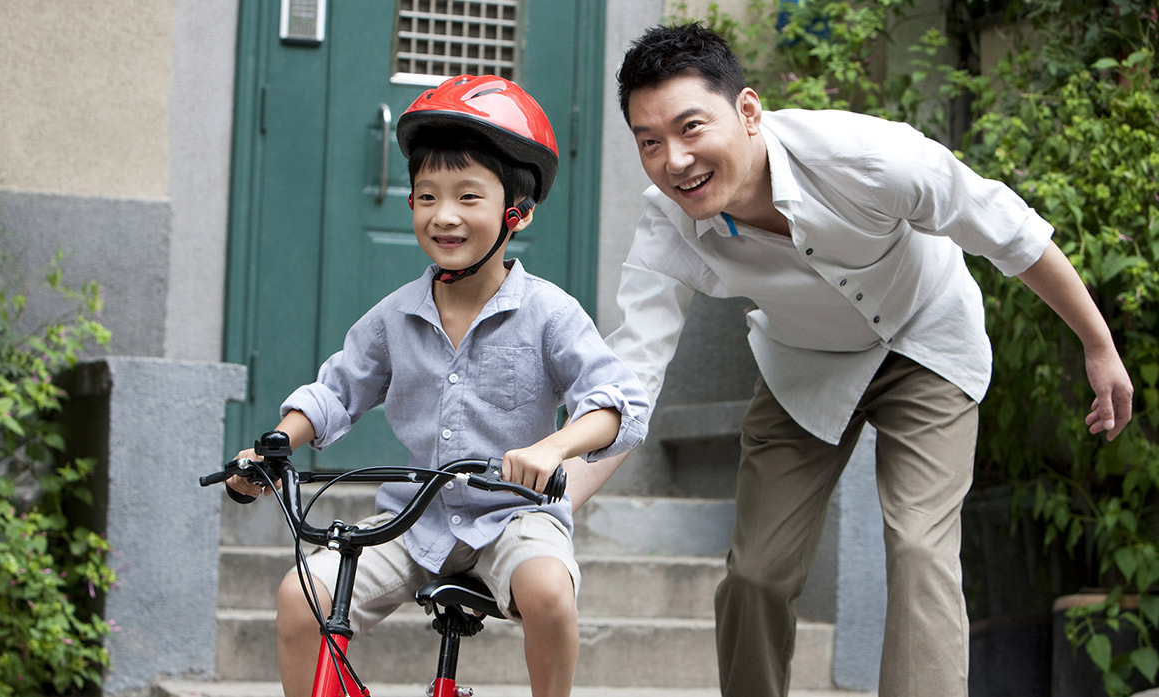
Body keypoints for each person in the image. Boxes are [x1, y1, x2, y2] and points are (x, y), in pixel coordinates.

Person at [583, 22, 1134, 697]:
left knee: (918, 548)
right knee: (756, 572)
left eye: (691, 127)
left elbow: (1007, 228)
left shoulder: (867, 157)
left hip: (926, 337)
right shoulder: (667, 224)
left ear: (748, 111)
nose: (674, 159)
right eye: (649, 142)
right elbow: (631, 377)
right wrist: (561, 501)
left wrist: (1098, 344)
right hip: (802, 366)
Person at [227, 74, 651, 697]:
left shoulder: (550, 314)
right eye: (427, 196)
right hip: (412, 523)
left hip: (513, 518)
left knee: (550, 595)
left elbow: (620, 404)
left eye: (467, 197)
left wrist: (551, 449)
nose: (444, 215)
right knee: (301, 598)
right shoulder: (395, 315)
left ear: (518, 211)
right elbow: (336, 391)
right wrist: (276, 445)